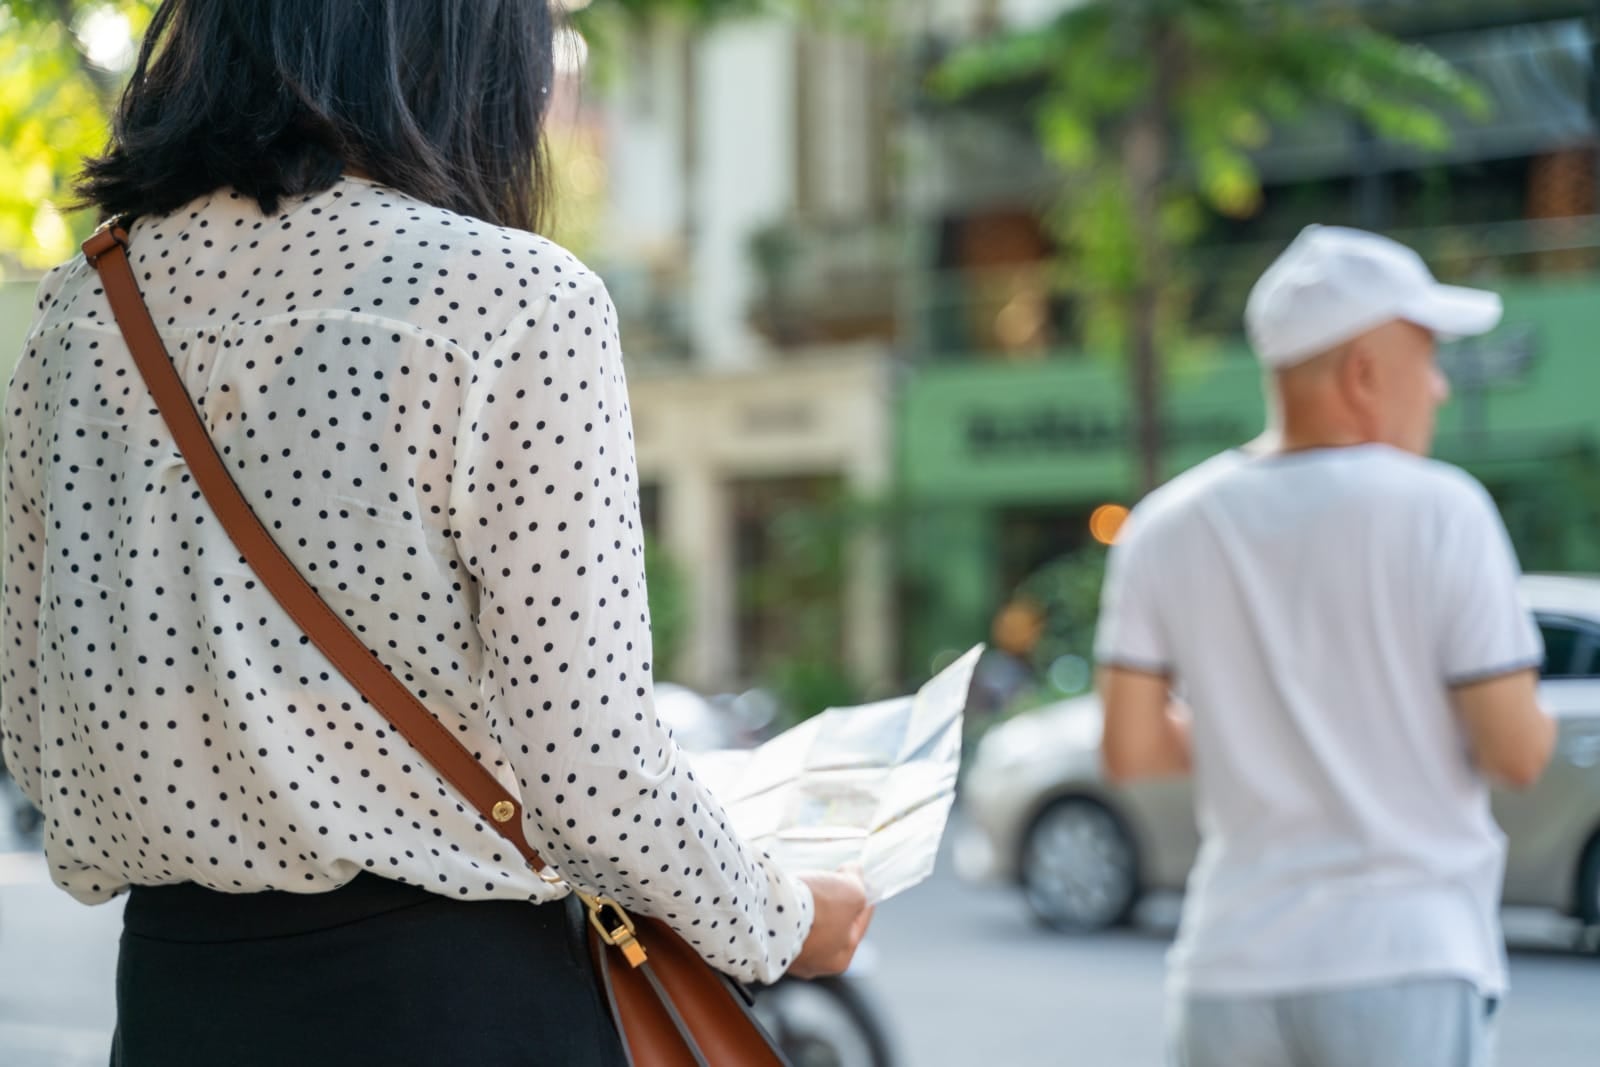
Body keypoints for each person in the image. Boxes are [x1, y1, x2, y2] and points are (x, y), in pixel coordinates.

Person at [0, 3, 872, 1064]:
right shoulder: (516, 300)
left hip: (180, 996)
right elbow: (592, 771)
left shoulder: (82, 310)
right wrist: (784, 920)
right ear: (467, 50)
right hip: (457, 1001)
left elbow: (34, 728)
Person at [1094, 225, 1557, 1067]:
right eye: (1428, 357)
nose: (1442, 388)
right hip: (1403, 956)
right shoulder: (1441, 509)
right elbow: (1517, 749)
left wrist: (1259, 728)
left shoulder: (1164, 525)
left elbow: (1129, 747)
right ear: (1364, 372)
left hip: (1226, 967)